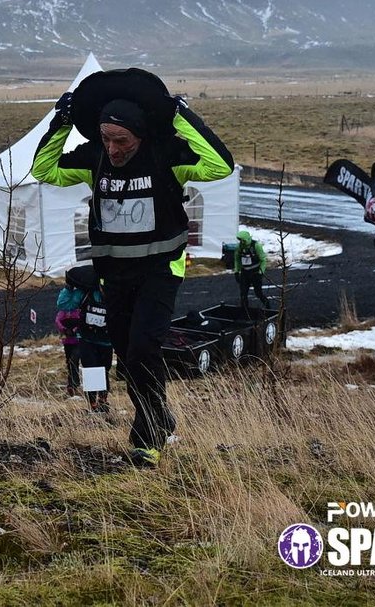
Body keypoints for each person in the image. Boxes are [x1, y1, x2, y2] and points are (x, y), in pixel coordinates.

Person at [32, 70, 234, 467]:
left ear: (140, 135)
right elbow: (44, 170)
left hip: (161, 269)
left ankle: (147, 438)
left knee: (144, 348)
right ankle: (162, 416)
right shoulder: (95, 159)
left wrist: (179, 115)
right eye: (106, 138)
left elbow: (220, 165)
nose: (113, 149)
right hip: (115, 275)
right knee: (128, 359)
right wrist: (62, 123)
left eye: (121, 140)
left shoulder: (165, 154)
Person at [55, 264, 113, 412]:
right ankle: (94, 404)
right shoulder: (85, 293)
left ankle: (103, 400)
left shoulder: (116, 296)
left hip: (106, 341)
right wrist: (68, 287)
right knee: (91, 369)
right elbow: (63, 304)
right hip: (87, 339)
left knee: (104, 369)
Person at [233, 229, 271, 311]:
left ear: (247, 239)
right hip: (244, 273)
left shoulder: (256, 246)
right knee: (243, 293)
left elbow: (263, 260)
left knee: (258, 293)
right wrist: (236, 272)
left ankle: (268, 307)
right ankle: (245, 311)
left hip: (255, 272)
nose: (241, 242)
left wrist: (261, 273)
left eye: (243, 240)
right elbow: (237, 260)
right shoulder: (238, 247)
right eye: (240, 240)